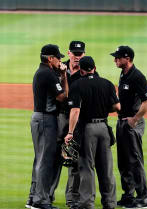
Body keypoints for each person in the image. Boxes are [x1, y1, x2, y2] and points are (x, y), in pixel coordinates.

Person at [64, 56, 120, 209]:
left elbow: (75, 110)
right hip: (103, 128)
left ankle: (87, 204)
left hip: (87, 129)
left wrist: (70, 132)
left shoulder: (77, 85)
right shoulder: (107, 84)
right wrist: (102, 110)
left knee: (87, 167)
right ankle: (110, 203)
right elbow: (117, 107)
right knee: (106, 167)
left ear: (81, 70)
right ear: (94, 68)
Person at [26, 44, 68, 209]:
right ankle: (41, 201)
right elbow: (62, 97)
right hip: (46, 119)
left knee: (40, 159)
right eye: (58, 58)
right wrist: (64, 75)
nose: (60, 61)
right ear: (50, 58)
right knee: (45, 161)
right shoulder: (48, 74)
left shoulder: (42, 72)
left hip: (39, 118)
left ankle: (33, 198)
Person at [110, 46, 147, 209]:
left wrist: (135, 119)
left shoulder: (137, 76)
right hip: (122, 122)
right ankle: (128, 195)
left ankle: (142, 198)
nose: (115, 60)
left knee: (135, 161)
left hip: (132, 124)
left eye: (118, 57)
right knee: (124, 161)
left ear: (127, 59)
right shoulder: (124, 73)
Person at [51, 41, 86, 209]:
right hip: (60, 117)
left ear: (84, 55)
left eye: (80, 54)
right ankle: (48, 194)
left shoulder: (88, 70)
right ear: (69, 53)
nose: (77, 57)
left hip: (77, 120)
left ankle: (72, 199)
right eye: (74, 53)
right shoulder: (58, 68)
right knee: (54, 157)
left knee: (74, 158)